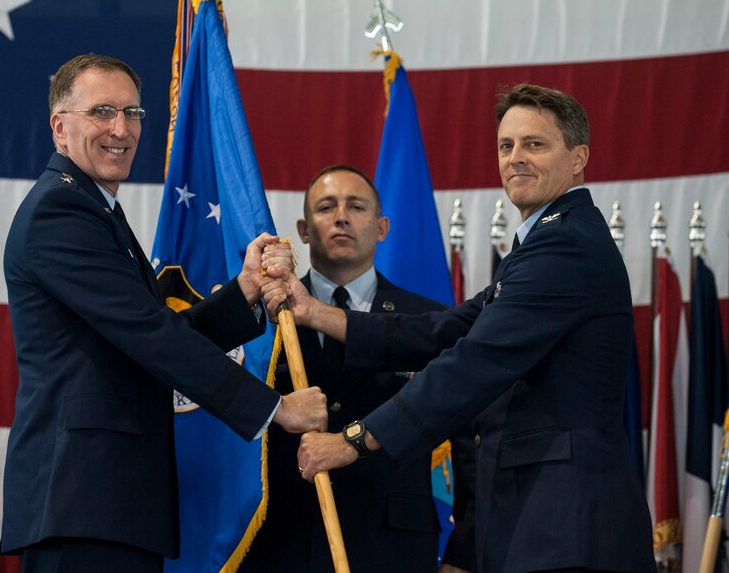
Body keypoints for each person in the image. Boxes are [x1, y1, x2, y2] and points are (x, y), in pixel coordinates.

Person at [266, 84, 657, 573]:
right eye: (506, 145)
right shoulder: (547, 241)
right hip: (544, 528)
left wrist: (351, 441)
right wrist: (315, 313)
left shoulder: (566, 244)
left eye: (535, 144)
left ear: (578, 157)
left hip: (564, 530)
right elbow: (447, 331)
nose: (516, 158)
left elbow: (472, 362)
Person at [0, 54, 327, 572]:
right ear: (60, 128)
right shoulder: (59, 212)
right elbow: (151, 336)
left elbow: (156, 330)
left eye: (133, 113)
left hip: (110, 504)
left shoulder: (94, 207)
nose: (121, 129)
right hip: (83, 501)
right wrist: (275, 409)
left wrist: (243, 289)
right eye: (102, 112)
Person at [240, 165, 449, 572]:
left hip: (391, 546)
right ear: (302, 229)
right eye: (325, 207)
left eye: (356, 206)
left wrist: (466, 553)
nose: (341, 217)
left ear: (382, 226)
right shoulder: (259, 318)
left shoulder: (429, 320)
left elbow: (467, 438)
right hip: (281, 541)